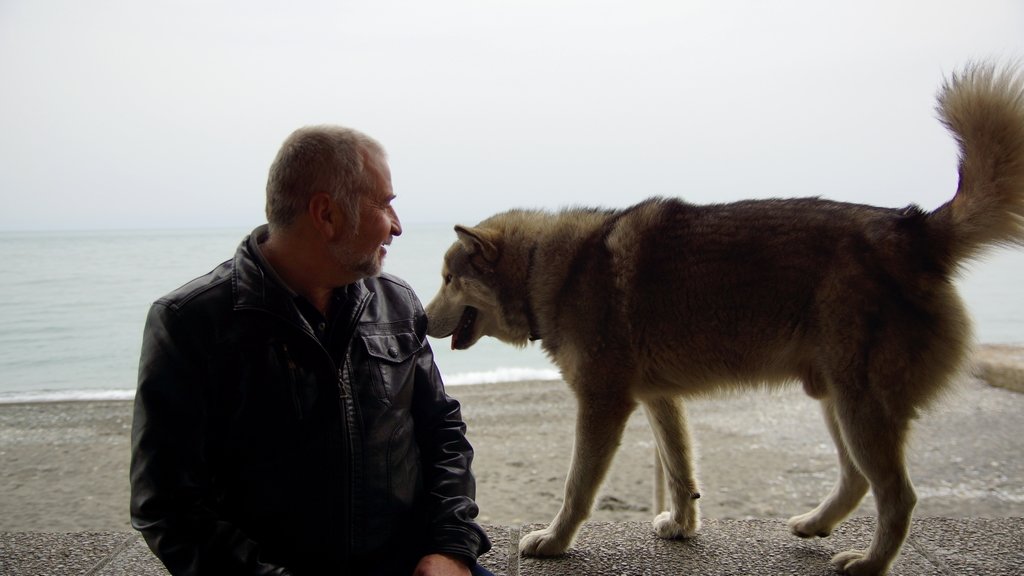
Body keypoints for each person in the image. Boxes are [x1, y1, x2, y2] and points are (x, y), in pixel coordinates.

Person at [130, 125, 493, 575]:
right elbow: (168, 506)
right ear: (326, 214)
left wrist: (451, 548)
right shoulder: (191, 322)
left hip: (414, 564)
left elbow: (442, 431)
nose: (397, 226)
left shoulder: (396, 302)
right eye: (384, 204)